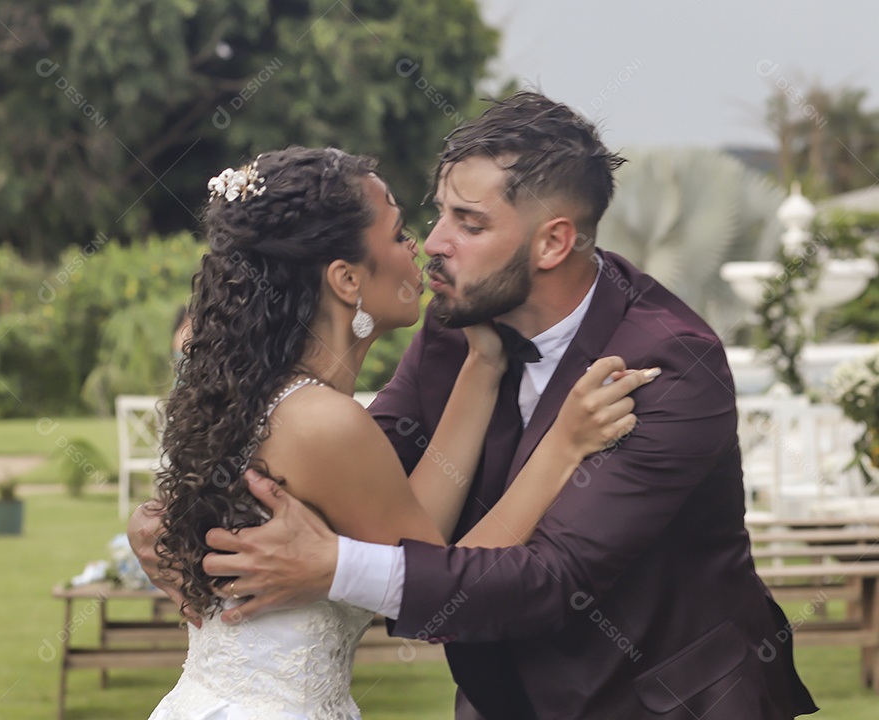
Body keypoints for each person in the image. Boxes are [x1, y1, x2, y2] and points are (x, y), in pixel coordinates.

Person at [174, 94, 820, 719]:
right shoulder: (454, 326)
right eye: (439, 215)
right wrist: (191, 521)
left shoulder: (667, 365)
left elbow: (551, 579)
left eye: (469, 223)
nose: (433, 244)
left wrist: (334, 568)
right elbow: (361, 473)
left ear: (552, 243)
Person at [133, 145, 654, 719]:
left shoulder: (261, 399)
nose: (423, 248)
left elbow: (412, 539)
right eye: (400, 233)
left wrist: (483, 364)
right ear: (347, 278)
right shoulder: (322, 422)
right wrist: (565, 444)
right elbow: (440, 588)